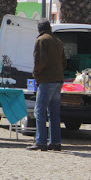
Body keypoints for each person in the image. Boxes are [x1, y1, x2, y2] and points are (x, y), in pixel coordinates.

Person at [28, 19, 67, 151]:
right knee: (54, 112)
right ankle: (55, 142)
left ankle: (41, 142)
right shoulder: (58, 41)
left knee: (39, 111)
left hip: (46, 80)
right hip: (58, 80)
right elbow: (64, 61)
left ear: (39, 30)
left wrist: (36, 73)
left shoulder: (41, 40)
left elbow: (40, 60)